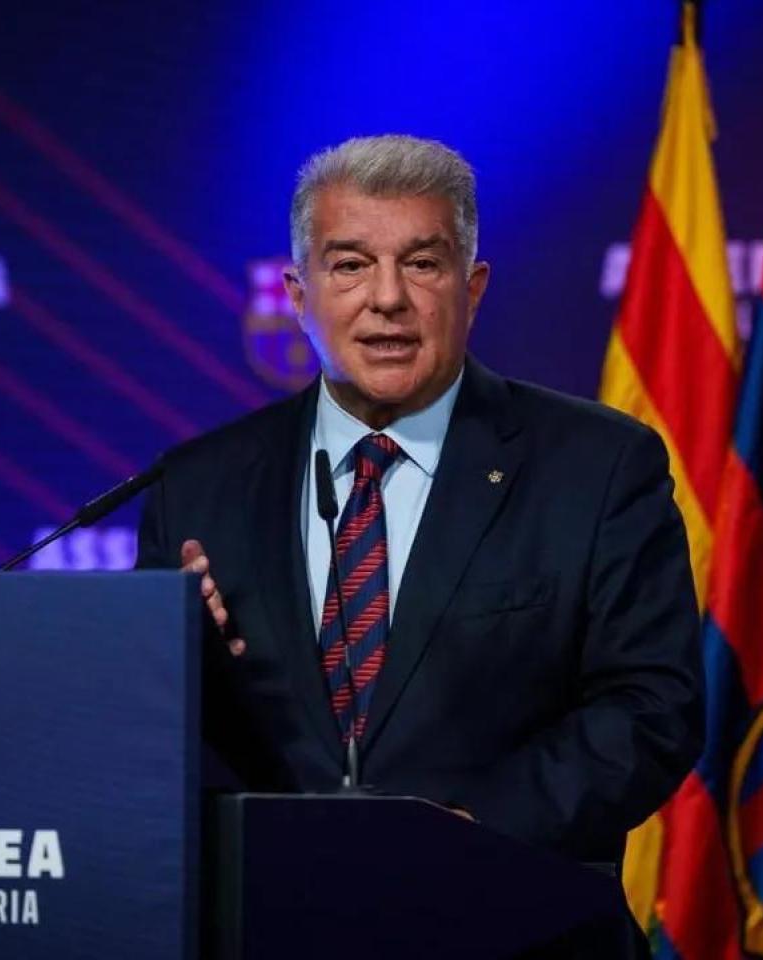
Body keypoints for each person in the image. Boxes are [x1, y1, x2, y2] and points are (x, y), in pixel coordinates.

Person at [136, 134, 702, 864]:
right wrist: (176, 661)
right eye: (350, 265)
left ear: (473, 288)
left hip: (516, 918)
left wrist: (465, 837)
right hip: (266, 919)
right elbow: (151, 742)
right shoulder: (197, 488)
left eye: (423, 264)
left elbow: (653, 708)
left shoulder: (598, 467)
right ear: (298, 295)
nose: (388, 299)